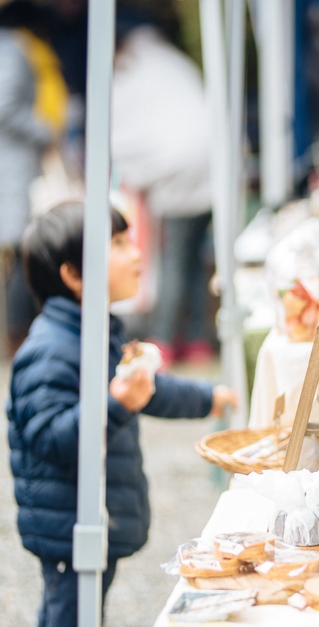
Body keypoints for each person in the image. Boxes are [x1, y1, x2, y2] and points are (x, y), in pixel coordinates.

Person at [6, 203, 237, 627]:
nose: (135, 253)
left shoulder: (97, 331)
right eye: (117, 244)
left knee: (85, 610)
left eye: (129, 240)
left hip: (94, 516)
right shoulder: (49, 351)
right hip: (69, 527)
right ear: (74, 276)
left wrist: (209, 398)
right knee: (69, 614)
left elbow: (149, 389)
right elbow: (51, 438)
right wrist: (115, 406)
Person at [111, 18, 214, 366]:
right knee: (193, 259)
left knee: (174, 259)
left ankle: (164, 340)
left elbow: (118, 136)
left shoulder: (131, 76)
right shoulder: (170, 61)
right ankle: (199, 339)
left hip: (177, 173)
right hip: (210, 165)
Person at [0, 0, 55, 350]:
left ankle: (18, 332)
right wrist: (45, 132)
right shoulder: (13, 49)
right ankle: (19, 334)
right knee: (23, 249)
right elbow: (5, 106)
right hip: (13, 166)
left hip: (12, 167)